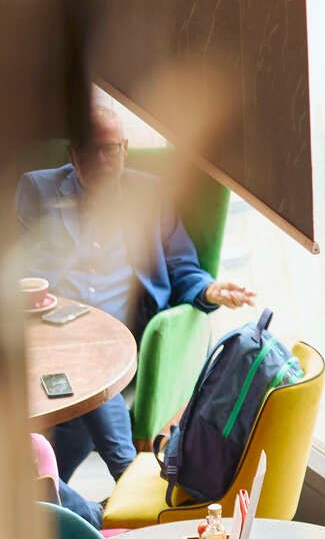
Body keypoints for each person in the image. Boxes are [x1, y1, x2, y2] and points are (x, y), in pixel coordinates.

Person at [15, 100, 255, 485]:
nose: (102, 159)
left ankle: (88, 488)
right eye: (90, 149)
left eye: (110, 149)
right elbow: (22, 268)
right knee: (81, 391)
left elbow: (179, 264)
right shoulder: (39, 190)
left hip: (126, 338)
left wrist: (209, 289)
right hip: (56, 339)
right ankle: (125, 480)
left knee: (74, 415)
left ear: (124, 150)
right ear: (73, 154)